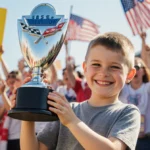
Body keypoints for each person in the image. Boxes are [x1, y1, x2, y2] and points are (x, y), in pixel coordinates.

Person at [11, 32, 140, 150]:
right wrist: (27, 113)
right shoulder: (67, 110)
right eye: (96, 64)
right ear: (85, 68)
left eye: (114, 67)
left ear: (130, 74)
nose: (103, 73)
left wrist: (72, 121)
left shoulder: (128, 113)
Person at [119, 57, 150, 150]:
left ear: (144, 71)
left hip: (144, 140)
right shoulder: (122, 89)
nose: (134, 70)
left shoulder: (147, 88)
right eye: (131, 67)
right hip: (124, 139)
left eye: (137, 67)